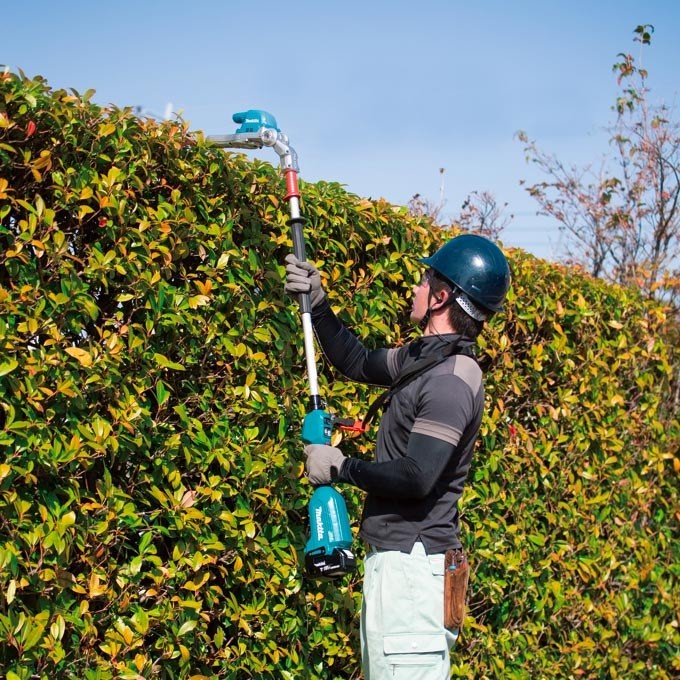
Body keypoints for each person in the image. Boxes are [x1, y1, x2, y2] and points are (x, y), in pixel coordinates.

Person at [284, 233, 511, 679]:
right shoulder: (425, 359)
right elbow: (357, 361)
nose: (415, 287)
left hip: (413, 572)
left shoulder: (450, 380)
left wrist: (340, 467)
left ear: (441, 298)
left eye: (425, 280)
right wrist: (319, 304)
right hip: (407, 569)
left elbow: (416, 476)